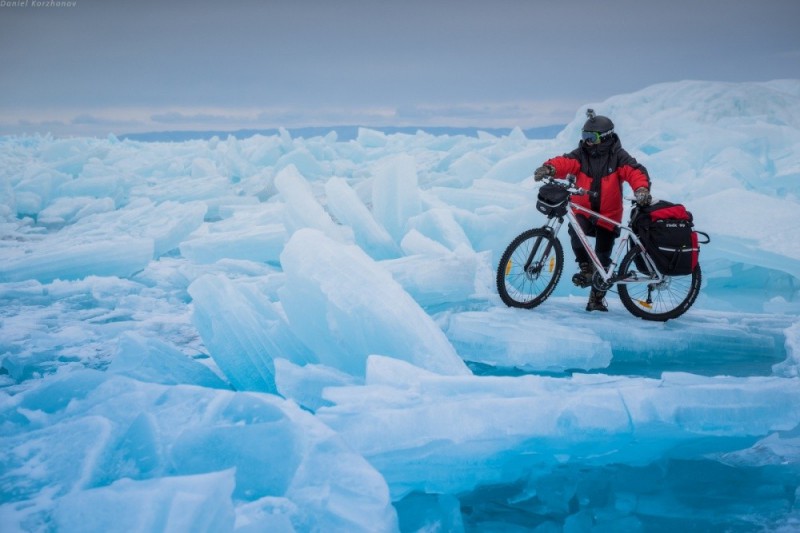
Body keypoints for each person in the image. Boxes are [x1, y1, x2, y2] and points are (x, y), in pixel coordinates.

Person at [533, 110, 652, 312]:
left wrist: (641, 189)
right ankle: (586, 268)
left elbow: (635, 172)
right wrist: (549, 168)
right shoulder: (581, 155)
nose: (587, 142)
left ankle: (596, 298)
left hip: (608, 215)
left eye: (592, 137)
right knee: (575, 230)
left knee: (603, 257)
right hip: (585, 210)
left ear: (605, 137)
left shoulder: (618, 157)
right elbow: (565, 162)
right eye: (584, 136)